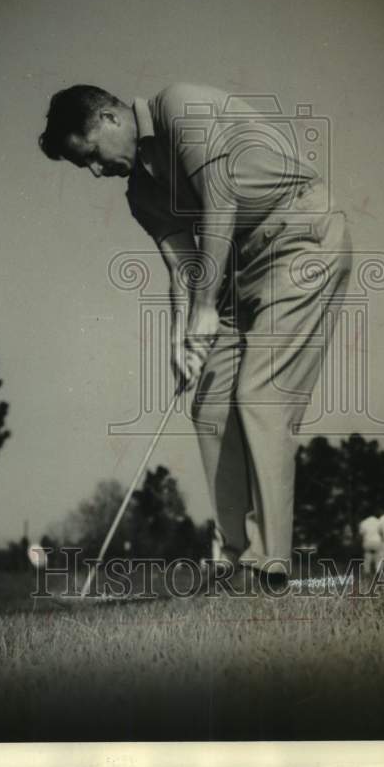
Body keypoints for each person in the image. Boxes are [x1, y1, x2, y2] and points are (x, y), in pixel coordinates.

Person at [38, 82, 352, 587]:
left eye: (92, 154)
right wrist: (181, 339)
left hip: (302, 238)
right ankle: (232, 557)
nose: (96, 171)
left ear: (111, 119)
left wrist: (206, 309)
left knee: (261, 395)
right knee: (208, 402)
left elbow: (221, 202)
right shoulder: (140, 192)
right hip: (235, 266)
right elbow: (182, 267)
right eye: (85, 167)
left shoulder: (180, 108)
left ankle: (268, 565)